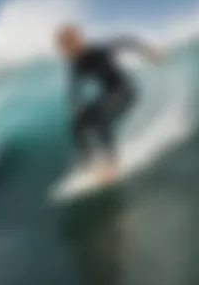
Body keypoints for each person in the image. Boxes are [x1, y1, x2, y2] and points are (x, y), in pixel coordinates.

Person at [56, 25, 162, 182]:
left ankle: (112, 163)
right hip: (108, 95)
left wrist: (149, 52)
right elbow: (74, 88)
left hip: (126, 92)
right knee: (77, 124)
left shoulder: (96, 51)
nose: (67, 50)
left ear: (77, 41)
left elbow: (126, 41)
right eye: (64, 47)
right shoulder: (75, 64)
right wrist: (75, 106)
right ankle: (88, 160)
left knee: (99, 117)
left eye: (69, 43)